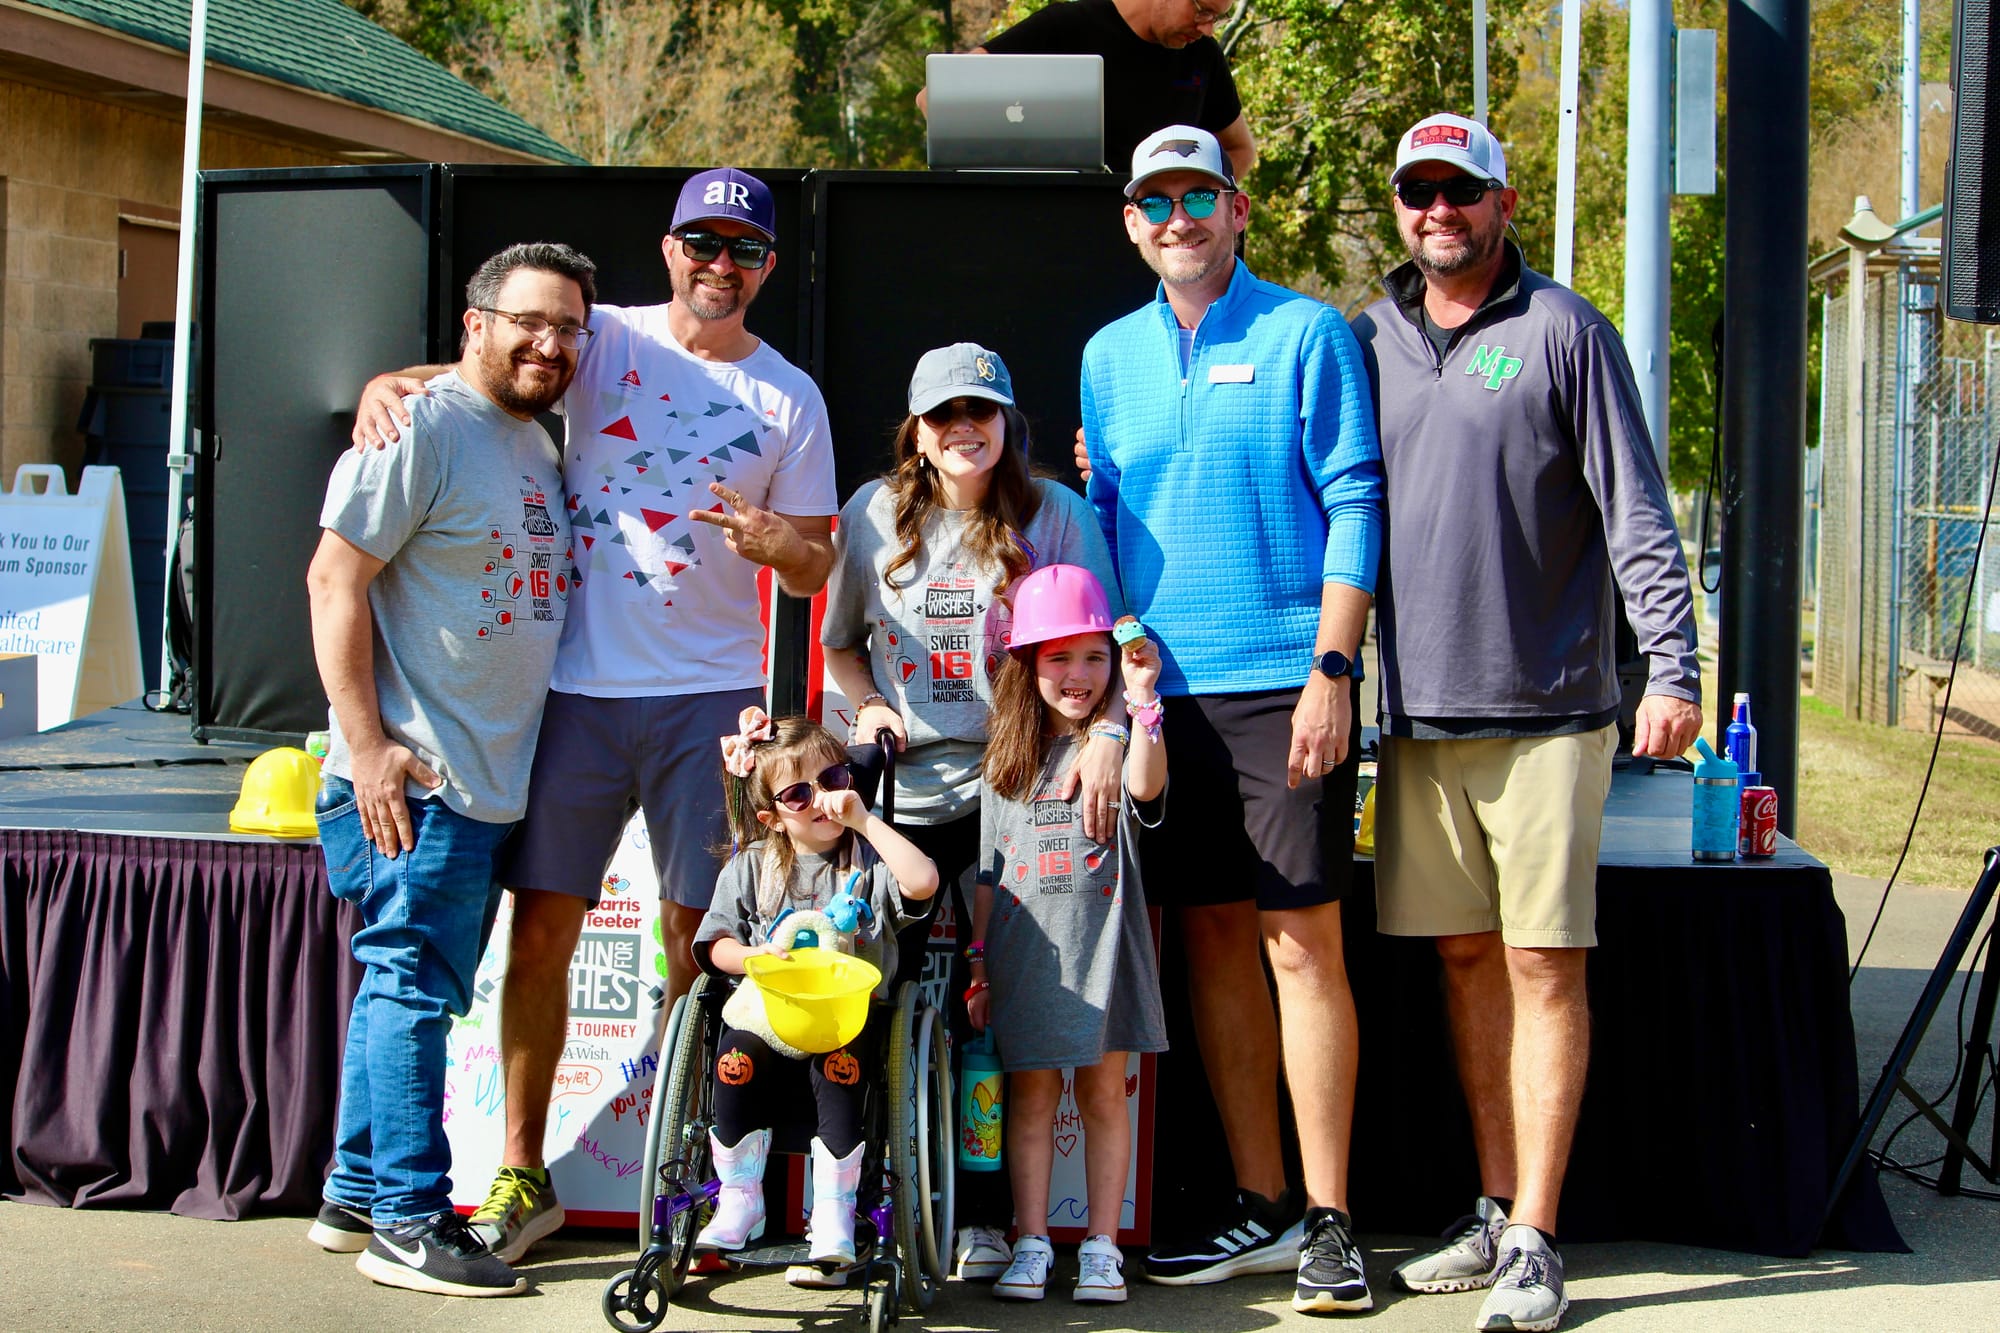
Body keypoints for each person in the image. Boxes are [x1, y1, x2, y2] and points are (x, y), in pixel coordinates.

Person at [350, 168, 838, 1264]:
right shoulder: (601, 334)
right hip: (574, 690)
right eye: (702, 244)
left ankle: (693, 1170)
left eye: (743, 250)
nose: (720, 265)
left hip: (711, 699)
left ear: (767, 266)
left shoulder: (790, 397)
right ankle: (522, 1173)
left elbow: (815, 565)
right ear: (668, 250)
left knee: (696, 940)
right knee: (540, 935)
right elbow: (478, 369)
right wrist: (388, 381)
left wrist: (780, 545)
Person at [1354, 113, 1703, 1333]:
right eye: (1417, 191)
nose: (1437, 210)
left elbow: (1635, 512)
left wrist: (1672, 667)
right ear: (1398, 208)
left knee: (1541, 961)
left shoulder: (1562, 329)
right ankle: (1496, 1207)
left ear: (1502, 203)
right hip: (1416, 717)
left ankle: (1538, 1236)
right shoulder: (1366, 338)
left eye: (1459, 190)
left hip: (1550, 709)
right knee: (1462, 959)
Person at [1079, 123, 1382, 1312]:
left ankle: (1330, 1221)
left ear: (1235, 208)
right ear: (1129, 225)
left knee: (1299, 943)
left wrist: (1331, 667)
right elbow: (1104, 513)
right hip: (1163, 695)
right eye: (1154, 202)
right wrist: (1117, 673)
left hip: (1284, 681)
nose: (1177, 219)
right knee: (1208, 939)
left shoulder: (1306, 332)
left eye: (1196, 196)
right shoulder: (1108, 355)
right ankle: (1261, 1203)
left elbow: (1355, 500)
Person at [304, 241, 594, 1297]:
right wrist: (367, 746)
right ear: (474, 324)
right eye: (528, 321)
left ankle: (353, 1191)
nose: (548, 343)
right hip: (415, 781)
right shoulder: (416, 429)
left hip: (481, 781)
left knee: (406, 979)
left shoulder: (531, 435)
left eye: (567, 328)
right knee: (411, 985)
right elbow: (332, 580)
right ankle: (410, 1219)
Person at [819, 342, 1126, 1284]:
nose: (964, 427)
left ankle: (987, 1219)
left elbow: (1112, 643)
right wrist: (869, 703)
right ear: (917, 431)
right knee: (881, 998)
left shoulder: (1057, 513)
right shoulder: (870, 515)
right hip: (909, 792)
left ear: (1006, 422)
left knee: (997, 1017)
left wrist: (1110, 734)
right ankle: (866, 1205)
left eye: (980, 410)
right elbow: (840, 647)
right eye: (945, 413)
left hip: (1023, 788)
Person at [968, 564, 1169, 1305]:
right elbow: (988, 871)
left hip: (1105, 949)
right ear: (1027, 664)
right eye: (1059, 657)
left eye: (1093, 657)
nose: (1078, 674)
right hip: (1025, 958)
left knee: (1104, 1094)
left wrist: (1141, 701)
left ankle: (1102, 1247)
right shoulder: (1006, 757)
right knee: (1030, 1097)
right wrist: (979, 961)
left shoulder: (1118, 743)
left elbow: (1147, 786)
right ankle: (1031, 1242)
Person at [691, 709, 940, 1269]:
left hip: (843, 1019)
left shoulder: (867, 860)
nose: (821, 799)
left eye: (832, 779)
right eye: (799, 794)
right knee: (734, 1058)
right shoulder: (752, 866)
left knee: (839, 1064)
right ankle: (740, 1198)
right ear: (773, 818)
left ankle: (833, 1210)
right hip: (769, 1016)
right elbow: (714, 946)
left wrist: (864, 820)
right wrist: (751, 957)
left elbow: (924, 882)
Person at [919, 0, 1255, 178]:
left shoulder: (1203, 55)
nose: (1208, 29)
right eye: (1202, 11)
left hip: (1155, 239)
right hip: (1052, 220)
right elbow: (935, 98)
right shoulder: (1066, 26)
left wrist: (1200, 200)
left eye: (1218, 18)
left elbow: (1240, 150)